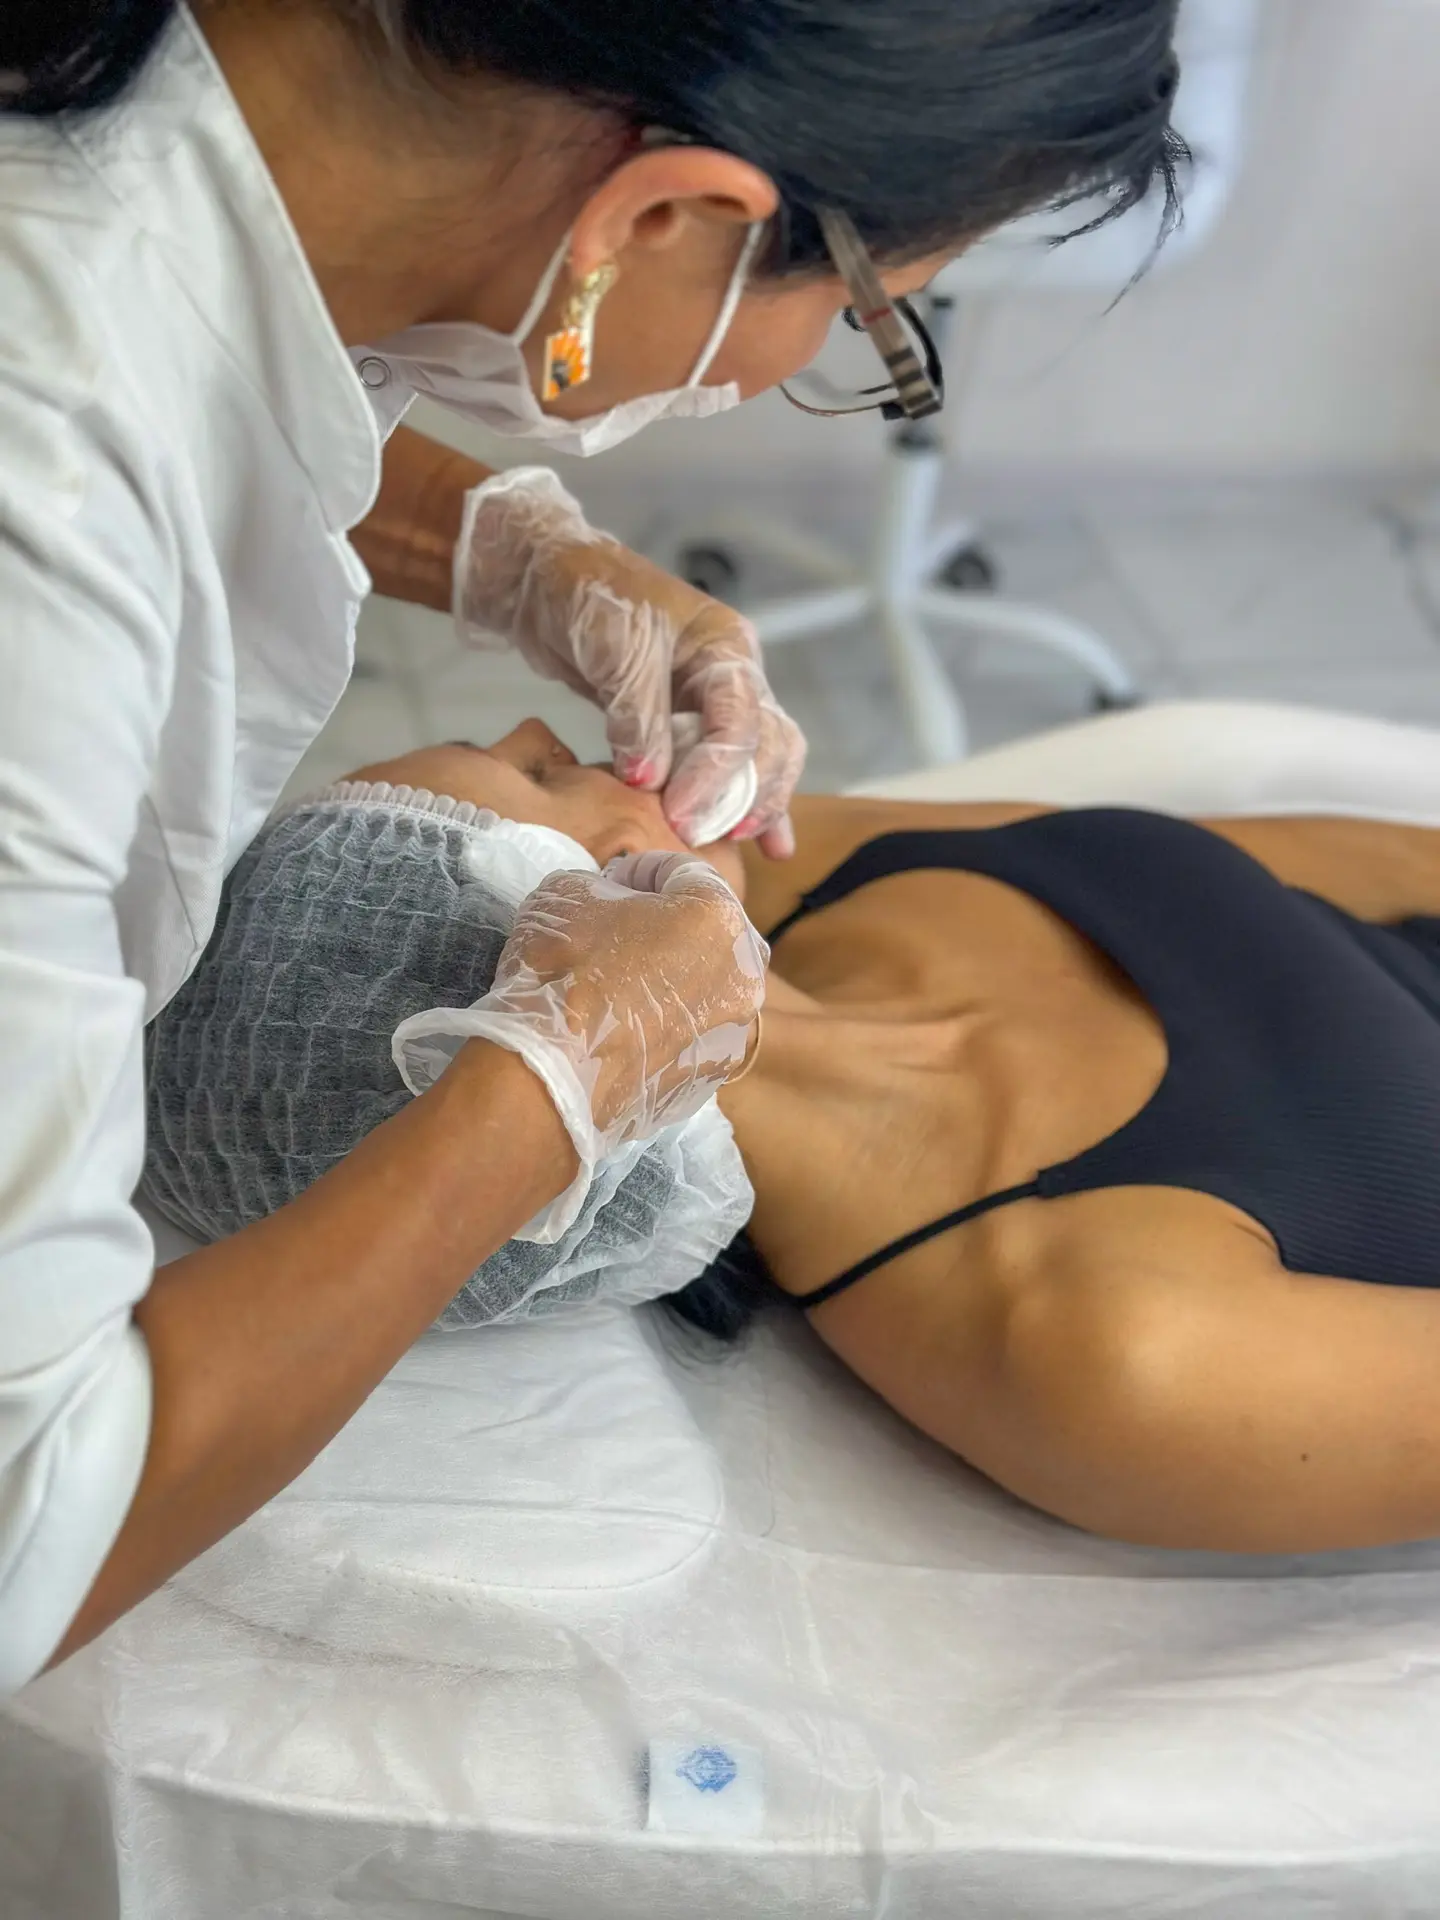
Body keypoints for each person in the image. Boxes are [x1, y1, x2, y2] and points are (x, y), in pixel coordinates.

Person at [0, 0, 1184, 1688]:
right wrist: (551, 1085)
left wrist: (514, 551)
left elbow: (199, 365)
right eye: (869, 317)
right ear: (666, 215)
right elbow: (30, 1531)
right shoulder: (36, 520)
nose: (535, 741)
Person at [151, 722, 1440, 1559]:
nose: (546, 731)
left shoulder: (809, 871)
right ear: (609, 896)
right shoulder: (1098, 1344)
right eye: (538, 775)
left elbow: (1355, 866)